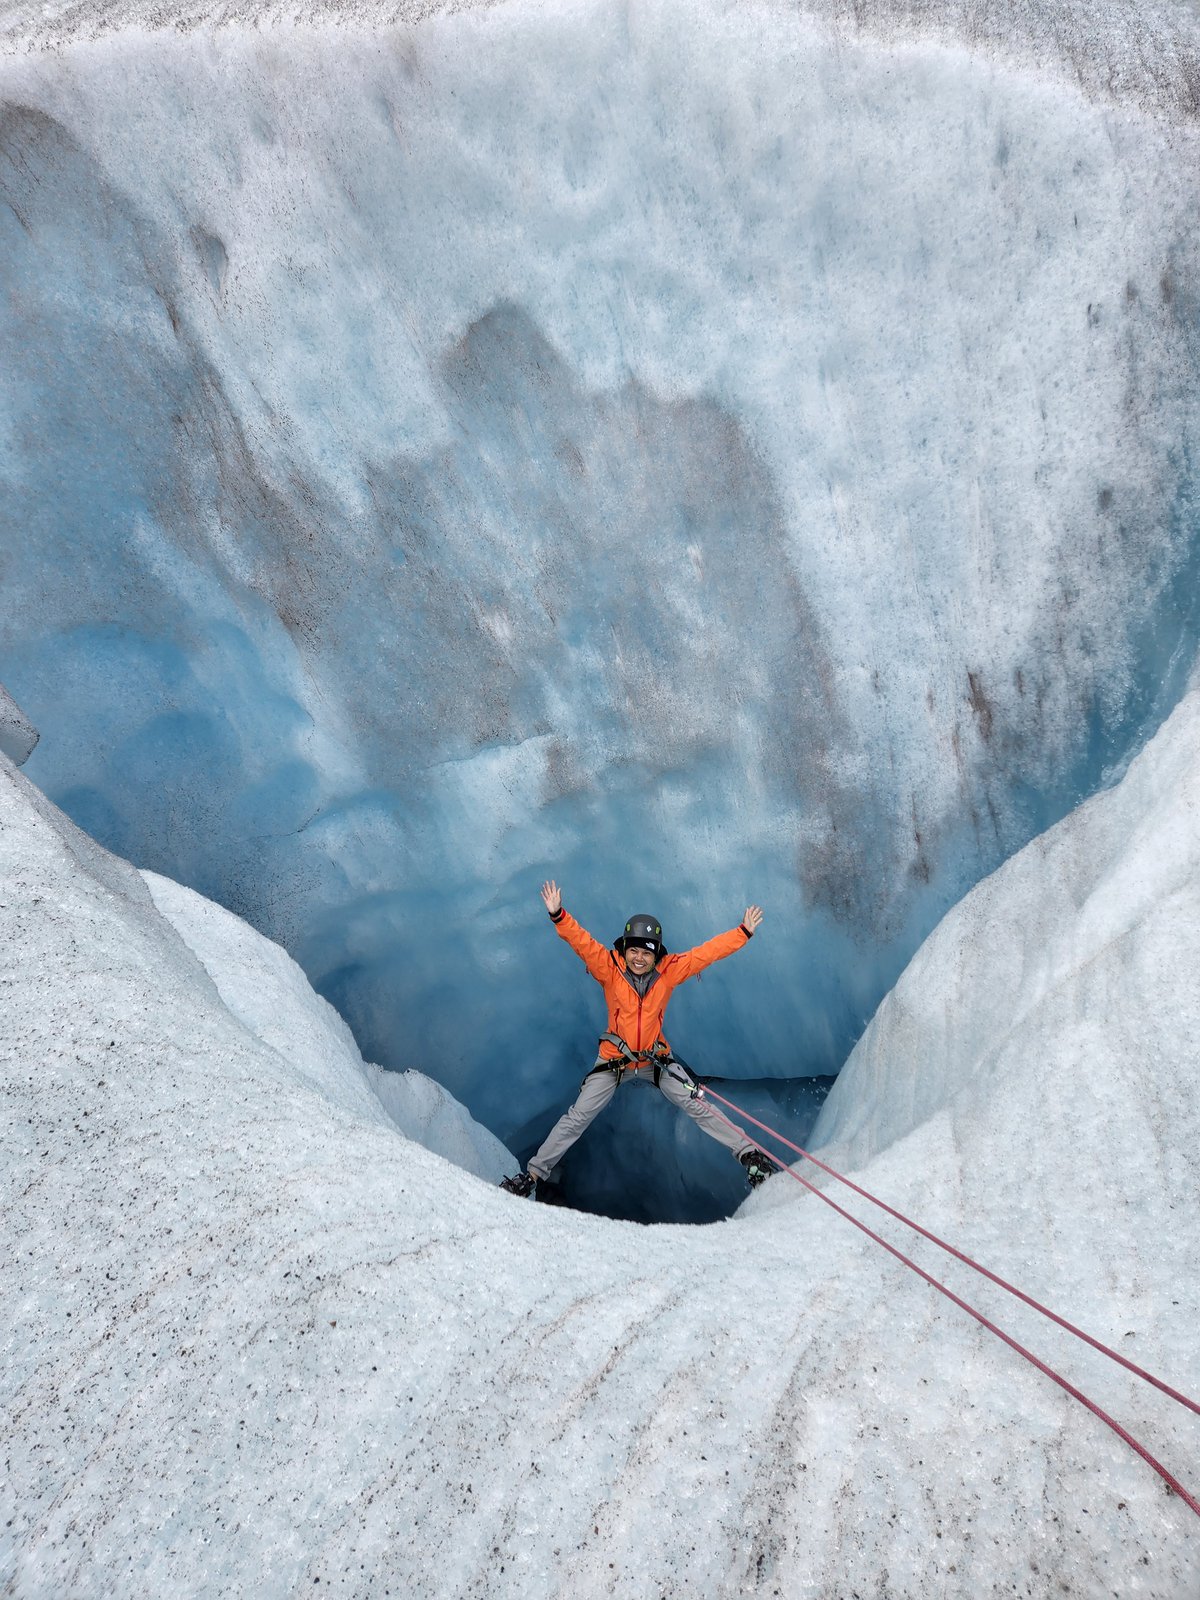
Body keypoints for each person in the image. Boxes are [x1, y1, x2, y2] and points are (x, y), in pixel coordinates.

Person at [500, 881, 777, 1199]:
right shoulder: (608, 967)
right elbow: (582, 943)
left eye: (646, 952)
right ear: (625, 949)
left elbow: (706, 954)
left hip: (655, 1060)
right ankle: (533, 1175)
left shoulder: (669, 970)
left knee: (696, 1104)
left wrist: (743, 932)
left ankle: (749, 1156)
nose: (639, 958)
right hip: (614, 1061)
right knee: (578, 1116)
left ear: (656, 952)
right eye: (633, 950)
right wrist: (558, 915)